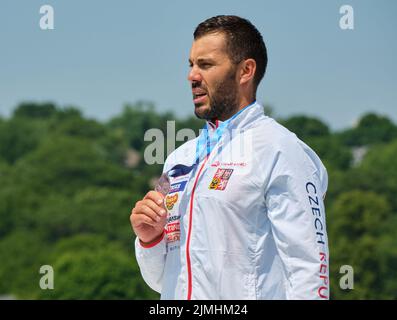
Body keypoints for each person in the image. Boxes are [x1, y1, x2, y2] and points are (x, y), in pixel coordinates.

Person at [130, 15, 329, 300]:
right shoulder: (177, 161)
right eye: (191, 65)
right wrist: (150, 239)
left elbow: (309, 271)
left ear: (245, 71)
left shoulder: (282, 150)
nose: (192, 76)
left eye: (206, 65)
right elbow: (165, 280)